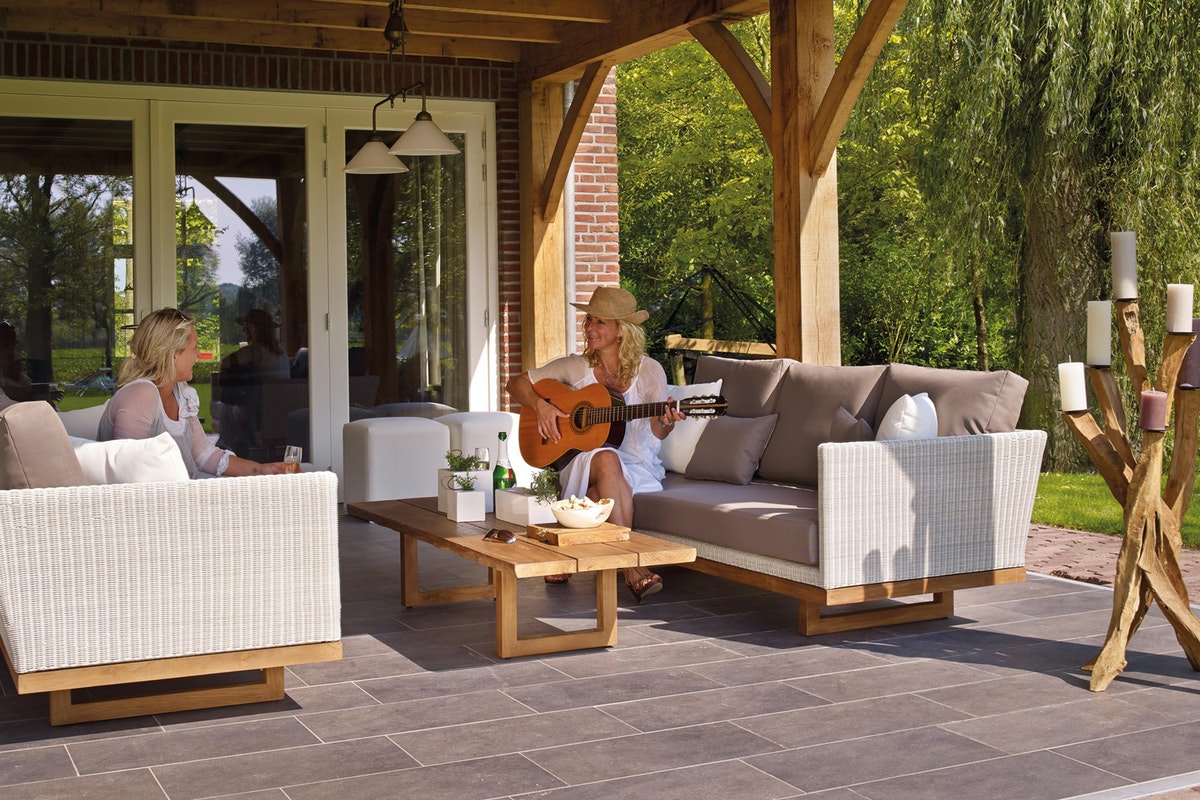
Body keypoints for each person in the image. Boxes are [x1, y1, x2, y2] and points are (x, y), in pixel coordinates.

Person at [506, 286, 686, 603]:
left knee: (597, 491)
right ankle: (632, 567)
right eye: (588, 319)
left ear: (621, 331)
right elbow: (516, 383)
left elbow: (657, 433)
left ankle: (571, 549)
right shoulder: (575, 366)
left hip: (636, 465)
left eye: (599, 322)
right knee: (604, 456)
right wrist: (541, 406)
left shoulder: (650, 371)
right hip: (582, 460)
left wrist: (666, 421)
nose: (589, 328)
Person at [99, 307, 291, 478]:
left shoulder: (180, 391)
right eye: (194, 347)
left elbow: (203, 454)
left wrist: (260, 470)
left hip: (180, 497)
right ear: (174, 353)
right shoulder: (141, 394)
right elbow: (126, 474)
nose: (198, 354)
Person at [215, 308, 291, 455]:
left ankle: (231, 449)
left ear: (254, 329)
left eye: (247, 326)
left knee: (229, 408)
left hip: (262, 409)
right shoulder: (282, 352)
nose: (244, 329)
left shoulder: (254, 351)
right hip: (281, 409)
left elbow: (225, 363)